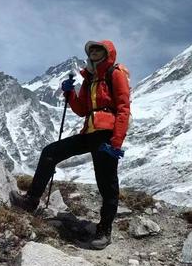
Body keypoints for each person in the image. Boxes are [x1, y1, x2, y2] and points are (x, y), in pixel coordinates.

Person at [10, 39, 131, 250]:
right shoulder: (89, 78)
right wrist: (69, 93)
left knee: (107, 184)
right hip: (90, 132)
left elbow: (123, 108)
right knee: (51, 152)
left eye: (98, 49)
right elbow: (82, 110)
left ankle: (104, 232)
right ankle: (31, 200)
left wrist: (116, 143)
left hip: (106, 136)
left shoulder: (115, 74)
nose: (93, 52)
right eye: (91, 49)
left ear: (107, 53)